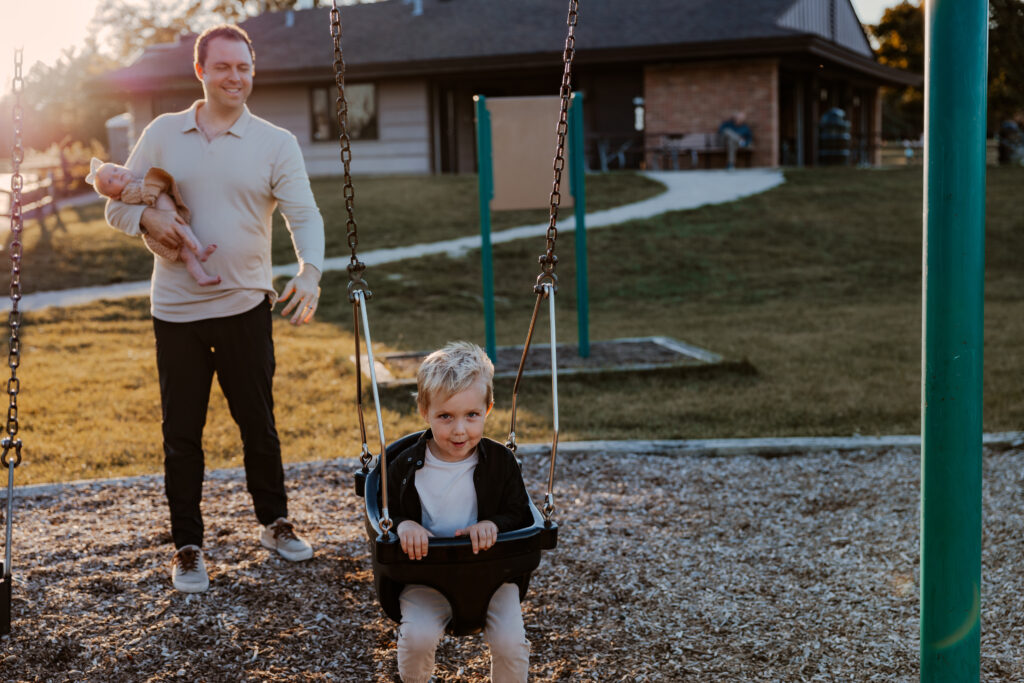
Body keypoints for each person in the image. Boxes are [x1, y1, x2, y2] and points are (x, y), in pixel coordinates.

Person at [104, 24, 325, 594]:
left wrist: (311, 271)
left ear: (253, 71)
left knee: (258, 423)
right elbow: (118, 204)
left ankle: (274, 523)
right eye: (224, 67)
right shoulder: (161, 133)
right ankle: (188, 546)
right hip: (175, 310)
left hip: (244, 304)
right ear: (200, 71)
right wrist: (146, 219)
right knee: (182, 432)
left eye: (244, 67)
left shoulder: (275, 142)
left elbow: (304, 214)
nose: (236, 77)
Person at [388, 342, 533, 682]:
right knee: (417, 638)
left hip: (492, 573)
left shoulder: (501, 463)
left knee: (511, 643)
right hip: (424, 574)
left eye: (471, 415)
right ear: (424, 411)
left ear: (489, 409)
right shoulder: (404, 466)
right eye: (445, 416)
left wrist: (492, 525)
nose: (459, 430)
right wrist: (404, 524)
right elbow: (383, 512)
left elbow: (520, 514)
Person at [87, 158, 221, 286]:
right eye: (110, 181)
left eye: (115, 169)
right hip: (162, 231)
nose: (117, 175)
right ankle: (201, 264)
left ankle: (201, 268)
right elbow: (144, 192)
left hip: (172, 219)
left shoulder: (137, 181)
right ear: (114, 196)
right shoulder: (128, 193)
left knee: (186, 248)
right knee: (186, 251)